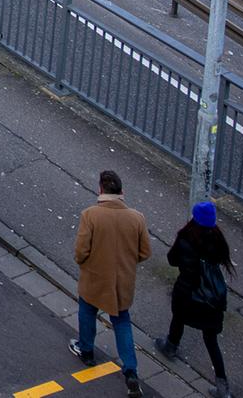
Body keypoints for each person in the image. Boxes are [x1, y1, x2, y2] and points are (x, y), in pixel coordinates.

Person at [73, 169, 151, 397]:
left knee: (87, 310)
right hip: (122, 282)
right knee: (122, 321)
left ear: (100, 190)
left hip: (95, 278)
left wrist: (87, 262)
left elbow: (80, 251)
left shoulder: (91, 215)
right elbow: (145, 252)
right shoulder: (137, 218)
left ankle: (86, 351)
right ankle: (130, 371)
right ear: (122, 192)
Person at [157, 202, 234, 398]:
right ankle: (222, 385)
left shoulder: (186, 238)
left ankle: (171, 346)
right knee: (211, 339)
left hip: (188, 292)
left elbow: (172, 259)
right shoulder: (217, 239)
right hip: (211, 299)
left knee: (179, 317)